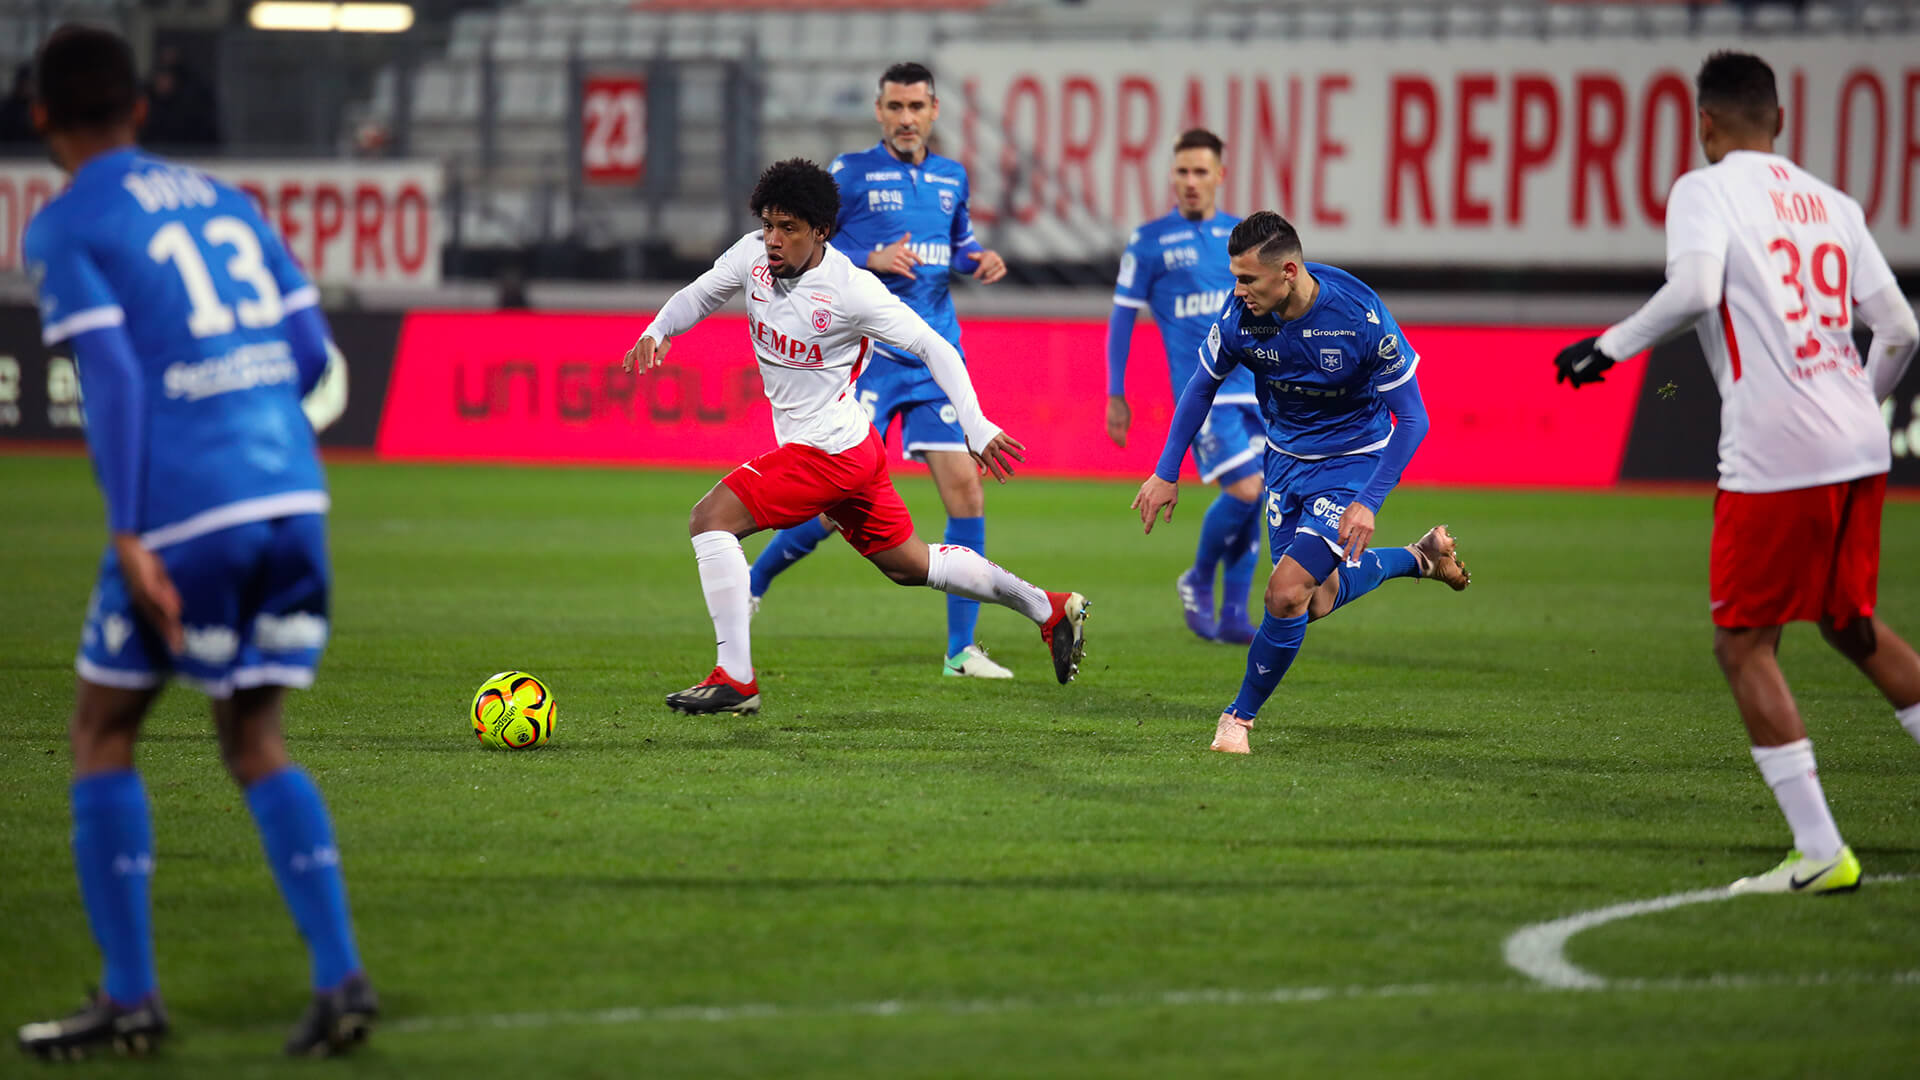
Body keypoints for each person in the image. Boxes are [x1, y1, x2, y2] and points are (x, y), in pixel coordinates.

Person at [14, 26, 376, 1060]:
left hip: (184, 508)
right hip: (292, 497)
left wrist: (130, 529)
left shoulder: (69, 221)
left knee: (101, 731)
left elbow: (117, 380)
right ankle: (340, 977)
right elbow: (311, 356)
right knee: (254, 739)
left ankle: (130, 997)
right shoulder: (228, 201)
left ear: (41, 116)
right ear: (140, 104)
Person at [1551, 51, 1920, 895]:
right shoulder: (1834, 203)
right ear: (1781, 122)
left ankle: (1821, 850)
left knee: (1743, 643)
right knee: (1850, 623)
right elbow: (1898, 329)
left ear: (1705, 123)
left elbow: (1695, 288)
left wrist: (1606, 348)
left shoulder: (1703, 189)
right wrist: (1853, 404)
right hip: (1863, 446)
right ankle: (1821, 847)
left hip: (1776, 448)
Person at [623, 159, 1088, 715]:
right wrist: (658, 330)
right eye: (769, 224)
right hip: (854, 448)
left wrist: (976, 422)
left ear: (821, 230)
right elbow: (698, 294)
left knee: (709, 519)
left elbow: (933, 346)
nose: (774, 239)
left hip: (827, 452)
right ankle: (1048, 608)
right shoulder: (751, 257)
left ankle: (736, 678)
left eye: (789, 228)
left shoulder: (852, 290)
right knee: (911, 565)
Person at [1133, 212, 1470, 755]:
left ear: (1288, 271)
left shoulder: (1358, 317)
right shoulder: (1242, 315)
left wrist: (1367, 500)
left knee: (1285, 594)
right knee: (1315, 600)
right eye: (1235, 278)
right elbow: (1201, 387)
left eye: (1248, 279)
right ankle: (1419, 557)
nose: (1237, 291)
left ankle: (1237, 720)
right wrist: (1166, 471)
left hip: (1352, 465)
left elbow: (1413, 419)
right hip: (1284, 463)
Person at [747, 62, 1017, 679]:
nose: (905, 118)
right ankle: (757, 579)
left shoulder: (952, 177)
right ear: (879, 111)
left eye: (916, 107)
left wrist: (980, 260)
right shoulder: (850, 172)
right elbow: (804, 246)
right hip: (867, 360)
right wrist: (871, 256)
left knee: (966, 490)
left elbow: (958, 243)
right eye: (894, 107)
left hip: (931, 354)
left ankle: (959, 652)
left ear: (933, 111)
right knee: (826, 502)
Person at [1107, 128, 1264, 644]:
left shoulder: (1242, 238)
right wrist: (1116, 392)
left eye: (1201, 171)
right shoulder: (1149, 241)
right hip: (1208, 395)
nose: (1191, 182)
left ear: (1221, 175)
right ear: (1171, 176)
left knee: (1259, 498)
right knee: (1245, 488)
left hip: (1261, 389)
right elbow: (1123, 318)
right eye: (1182, 171)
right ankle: (1197, 578)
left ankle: (1236, 613)